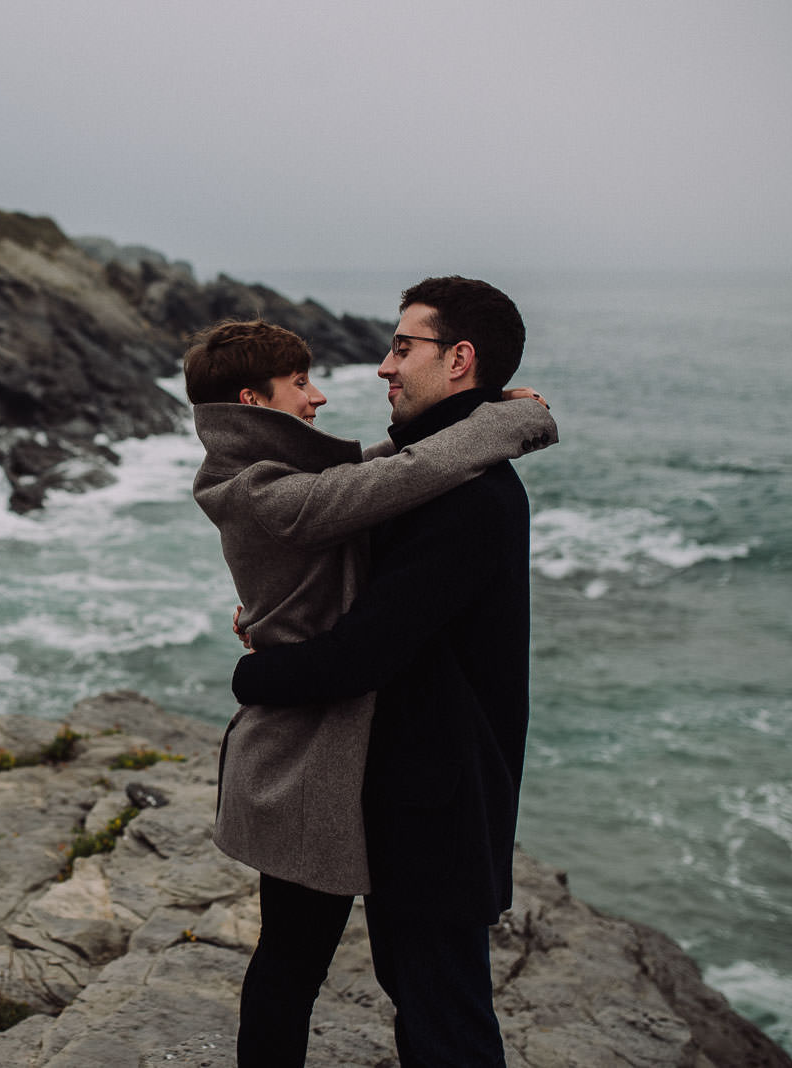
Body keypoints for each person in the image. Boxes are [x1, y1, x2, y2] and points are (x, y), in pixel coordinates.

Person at [183, 312, 556, 1067]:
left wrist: (483, 415)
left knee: (307, 960)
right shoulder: (262, 493)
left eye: (399, 349)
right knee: (291, 964)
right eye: (301, 384)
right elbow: (400, 476)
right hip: (299, 758)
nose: (319, 397)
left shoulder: (282, 479)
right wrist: (518, 423)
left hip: (333, 751)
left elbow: (378, 470)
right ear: (255, 403)